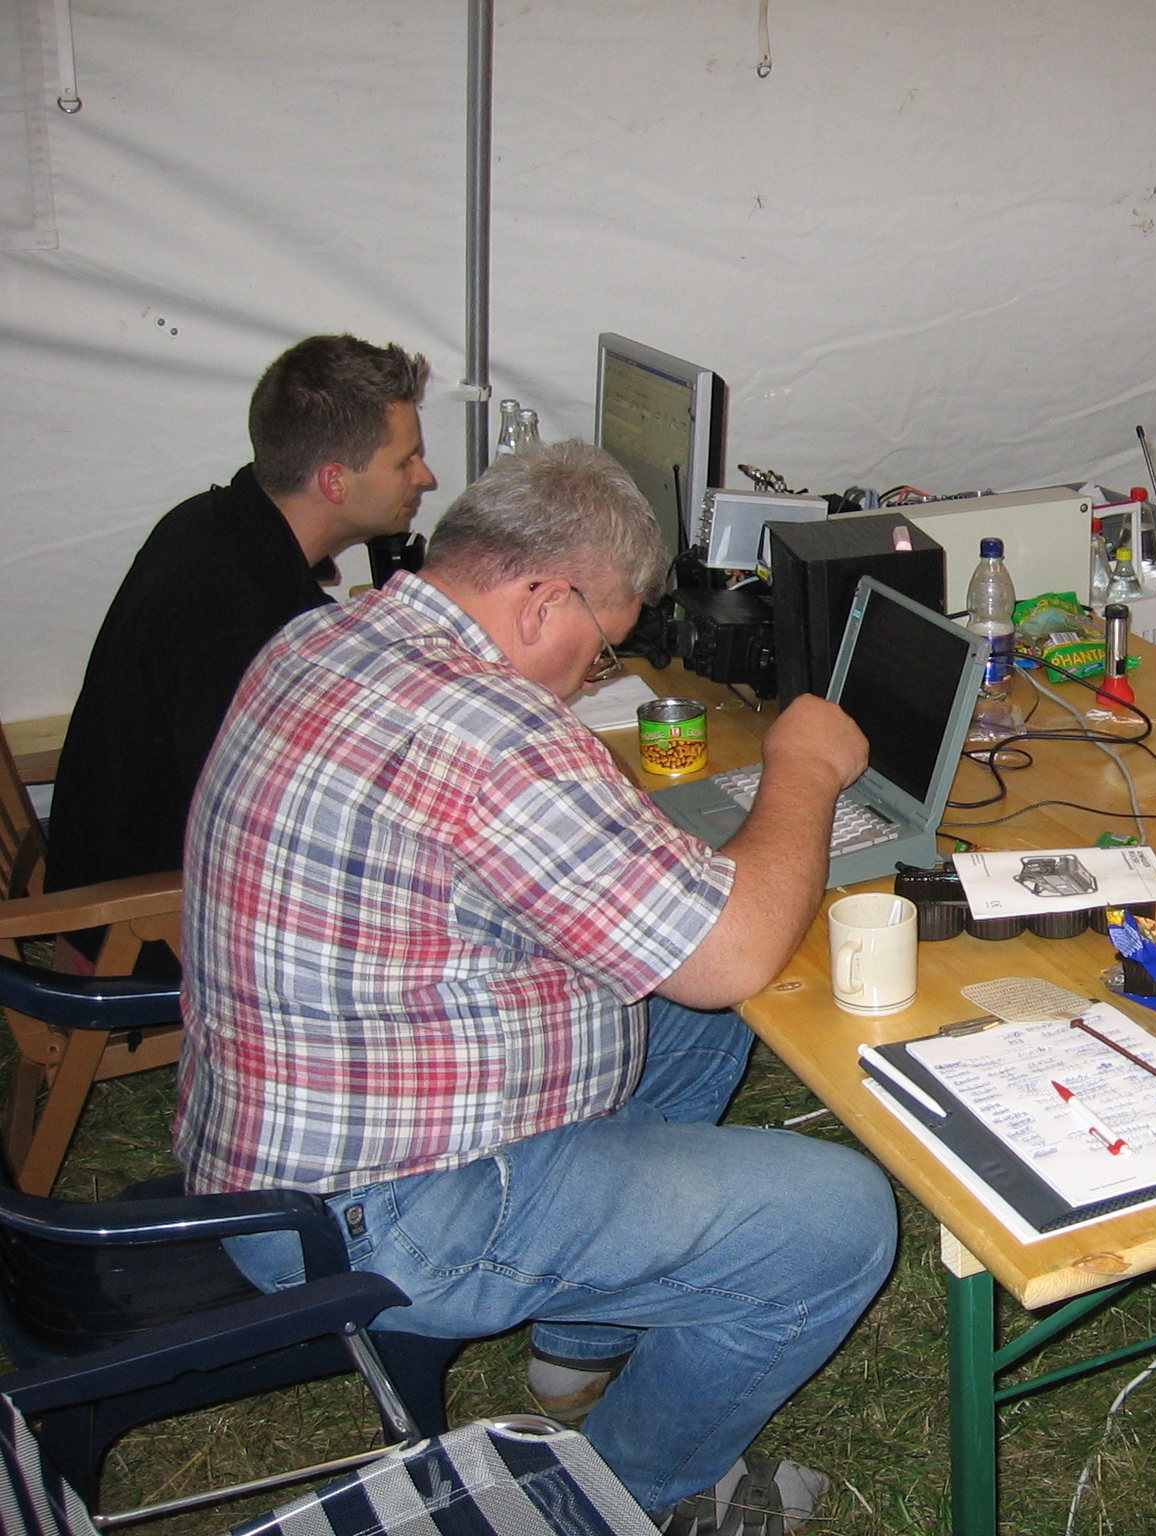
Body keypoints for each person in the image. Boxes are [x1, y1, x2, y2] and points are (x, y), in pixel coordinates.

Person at [176, 440, 895, 1534]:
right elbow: (734, 955)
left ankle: (575, 1351)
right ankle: (615, 1497)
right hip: (373, 1215)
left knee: (692, 1024)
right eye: (599, 647)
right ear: (540, 599)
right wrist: (800, 767)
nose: (587, 677)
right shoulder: (488, 727)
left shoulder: (323, 634)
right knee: (838, 1220)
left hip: (274, 1145)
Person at [45, 334, 435, 906]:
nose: (424, 477)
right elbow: (264, 829)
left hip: (150, 873)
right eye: (404, 461)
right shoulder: (236, 619)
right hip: (143, 919)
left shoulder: (212, 524)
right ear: (334, 482)